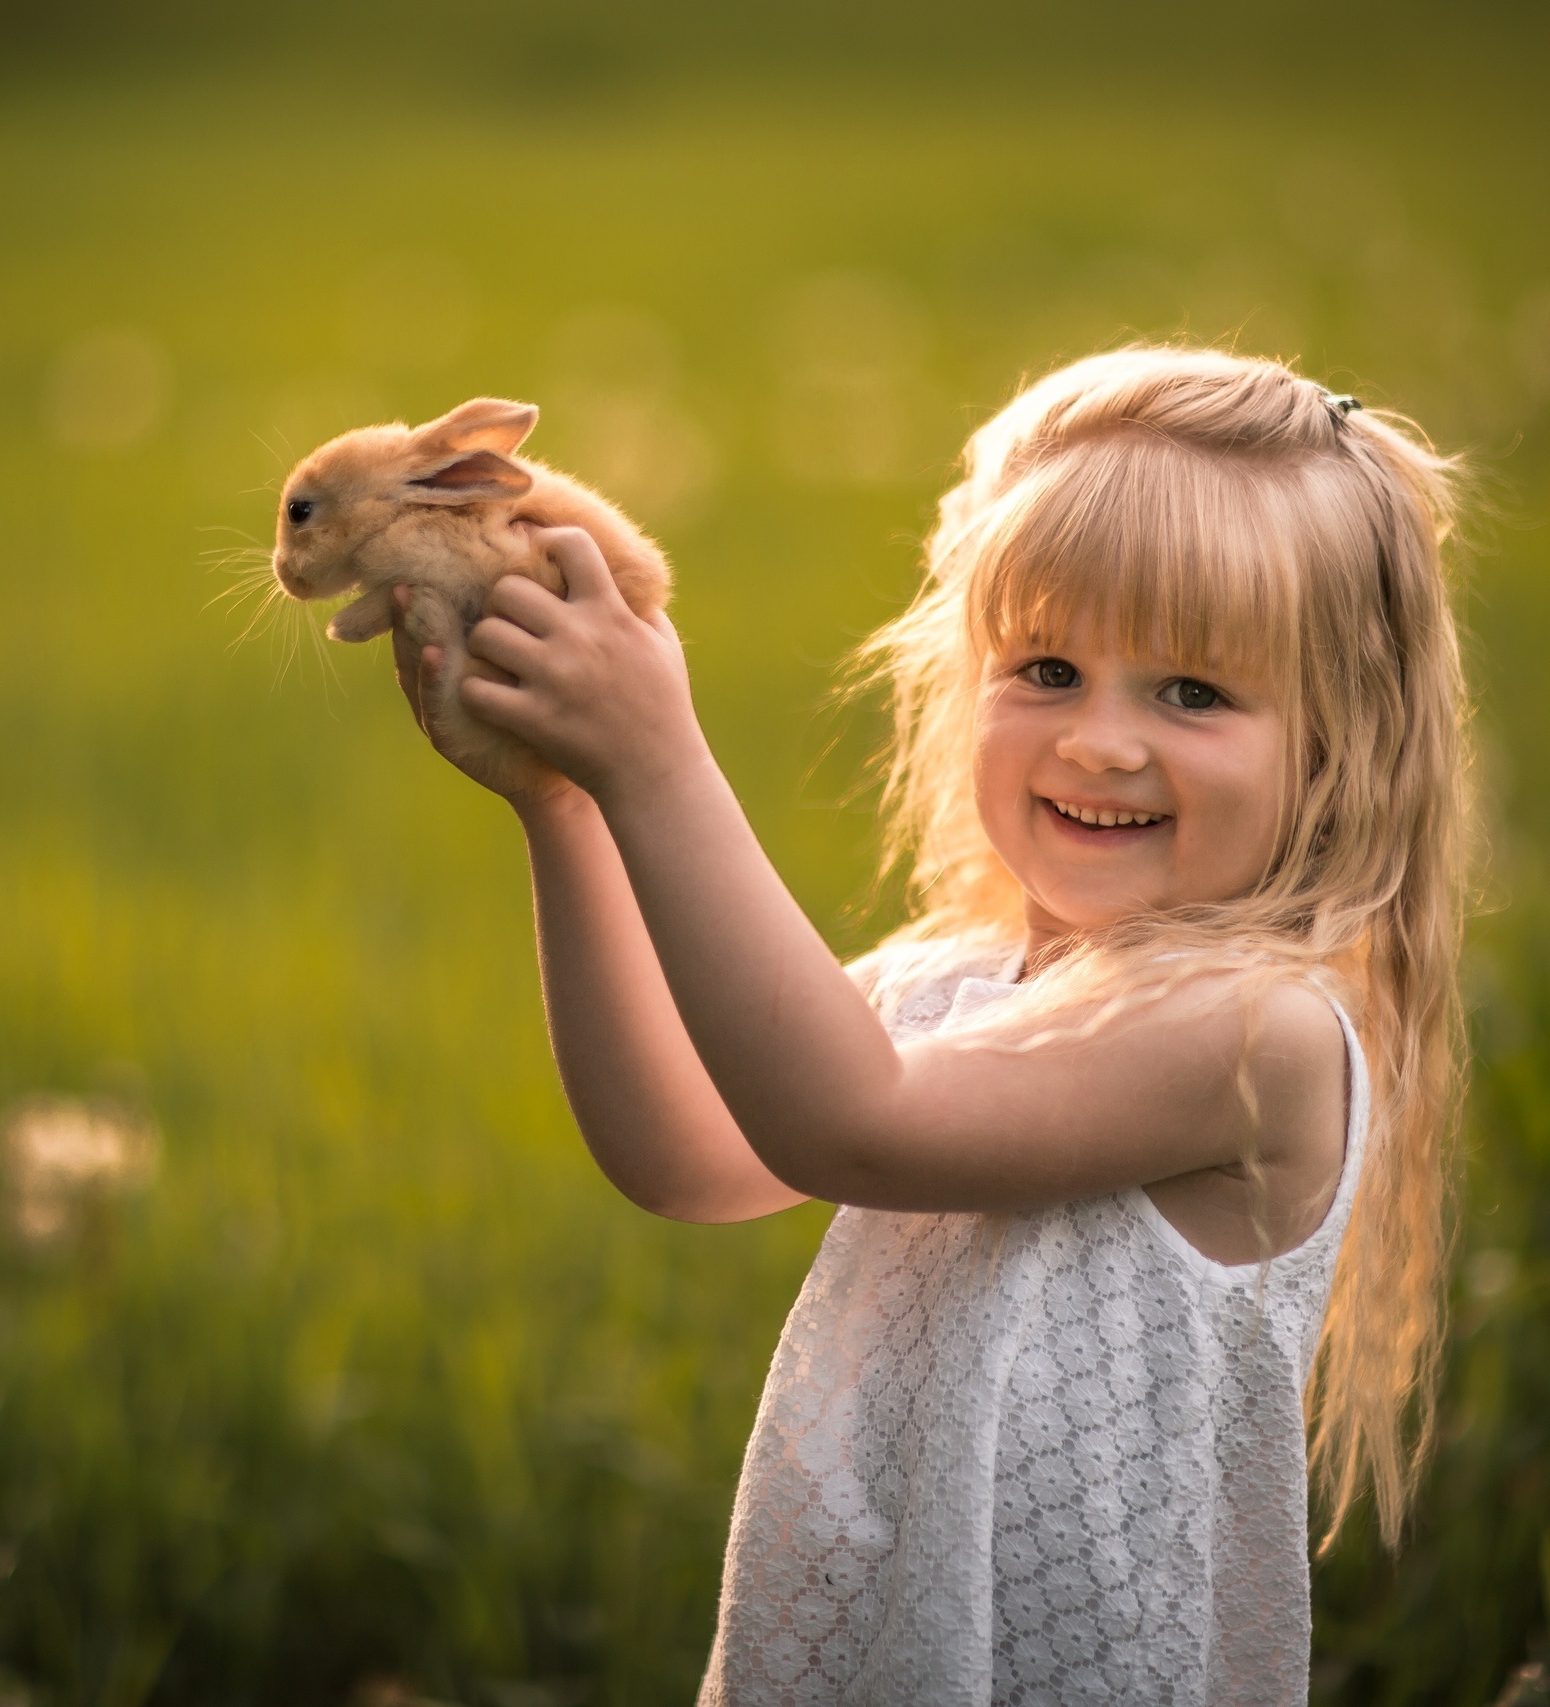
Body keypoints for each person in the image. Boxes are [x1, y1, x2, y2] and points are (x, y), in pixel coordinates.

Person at [388, 345, 1470, 1706]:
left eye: (1193, 693)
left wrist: (657, 761)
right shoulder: (951, 987)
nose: (1100, 742)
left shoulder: (1260, 1031)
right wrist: (566, 805)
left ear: (1338, 744)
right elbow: (684, 1155)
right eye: (1049, 668)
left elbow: (852, 1124)